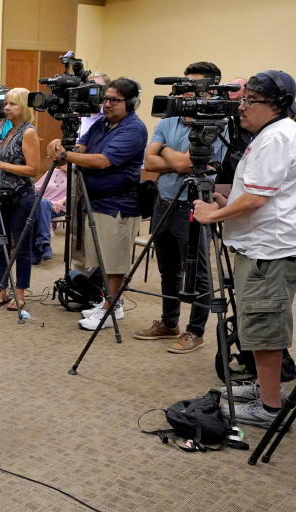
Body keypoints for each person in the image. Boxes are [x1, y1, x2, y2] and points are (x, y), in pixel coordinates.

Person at [194, 70, 296, 427]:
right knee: (256, 323)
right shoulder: (272, 134)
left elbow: (256, 198)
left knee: (264, 326)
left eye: (250, 101)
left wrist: (216, 214)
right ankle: (261, 387)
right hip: (262, 245)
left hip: (268, 251)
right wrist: (229, 202)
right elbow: (259, 192)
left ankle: (269, 407)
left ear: (275, 105)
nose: (242, 107)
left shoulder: (276, 138)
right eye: (243, 100)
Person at [134, 62, 226, 354]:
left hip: (195, 206)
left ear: (211, 89)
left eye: (193, 86)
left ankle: (195, 331)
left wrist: (164, 153)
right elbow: (149, 163)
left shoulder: (219, 123)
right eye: (184, 85)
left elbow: (189, 163)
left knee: (197, 273)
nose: (186, 92)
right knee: (168, 269)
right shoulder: (167, 120)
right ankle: (169, 322)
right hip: (164, 202)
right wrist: (171, 158)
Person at [46, 78, 148, 330]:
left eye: (115, 100)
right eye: (106, 99)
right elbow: (82, 146)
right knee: (101, 259)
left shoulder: (134, 129)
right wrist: (63, 145)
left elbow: (104, 161)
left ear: (131, 103)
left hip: (119, 203)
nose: (108, 104)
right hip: (96, 201)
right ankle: (108, 302)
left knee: (114, 261)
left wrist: (66, 156)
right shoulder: (103, 123)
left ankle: (111, 308)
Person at [0, 88, 39, 311]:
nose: (6, 108)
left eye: (12, 104)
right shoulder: (7, 130)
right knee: (0, 246)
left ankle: (20, 293)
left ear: (24, 107)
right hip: (0, 197)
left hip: (21, 196)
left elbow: (33, 169)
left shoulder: (28, 132)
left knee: (21, 247)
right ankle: (2, 291)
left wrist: (0, 165)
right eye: (5, 104)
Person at [32, 162, 67, 263]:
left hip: (59, 208)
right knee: (41, 204)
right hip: (43, 204)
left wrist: (62, 201)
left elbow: (76, 192)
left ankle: (41, 246)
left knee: (41, 205)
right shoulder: (51, 172)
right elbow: (35, 188)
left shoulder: (75, 175)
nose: (66, 164)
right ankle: (43, 246)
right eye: (64, 162)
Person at [78, 72, 110, 138]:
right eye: (91, 88)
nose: (94, 93)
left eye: (99, 88)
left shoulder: (112, 116)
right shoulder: (80, 115)